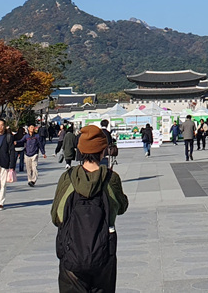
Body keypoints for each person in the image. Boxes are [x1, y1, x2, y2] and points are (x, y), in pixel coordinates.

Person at [51, 125, 129, 293]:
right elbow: (121, 207)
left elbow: (56, 216)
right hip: (103, 253)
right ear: (103, 151)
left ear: (80, 150)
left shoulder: (67, 178)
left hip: (71, 254)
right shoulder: (111, 179)